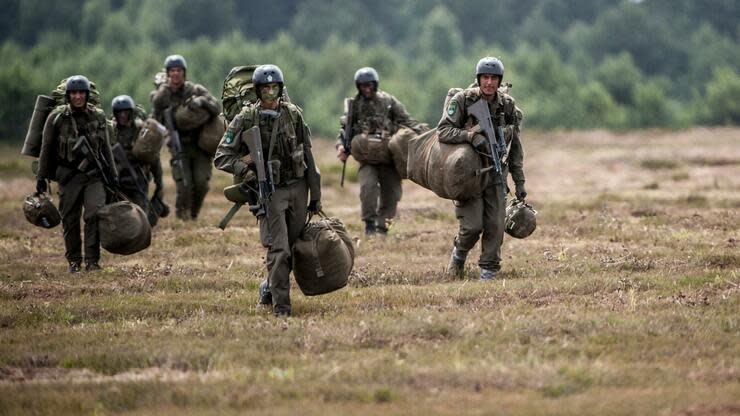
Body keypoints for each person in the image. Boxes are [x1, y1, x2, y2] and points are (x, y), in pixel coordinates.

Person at [214, 64, 321, 317]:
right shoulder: (245, 118)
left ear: (281, 89)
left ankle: (269, 286)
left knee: (293, 248)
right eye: (265, 89)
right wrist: (246, 167)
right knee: (279, 249)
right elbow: (221, 156)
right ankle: (282, 308)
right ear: (258, 91)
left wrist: (315, 195)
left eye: (275, 88)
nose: (271, 94)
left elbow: (308, 155)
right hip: (271, 193)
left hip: (297, 187)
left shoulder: (293, 114)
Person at [437, 57, 527, 280]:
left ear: (499, 81)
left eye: (494, 78)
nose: (489, 82)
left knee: (496, 225)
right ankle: (459, 255)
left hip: (496, 173)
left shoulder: (507, 106)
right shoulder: (463, 101)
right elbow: (443, 131)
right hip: (468, 173)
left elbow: (515, 146)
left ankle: (488, 272)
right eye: (485, 78)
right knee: (472, 227)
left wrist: (520, 182)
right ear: (478, 79)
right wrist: (470, 136)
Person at [36, 75, 118, 272]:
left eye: (82, 92)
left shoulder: (97, 116)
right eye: (74, 93)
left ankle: (92, 262)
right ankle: (73, 262)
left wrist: (113, 175)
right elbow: (46, 149)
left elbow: (106, 148)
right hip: (68, 176)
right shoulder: (56, 118)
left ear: (87, 95)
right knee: (70, 220)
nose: (78, 96)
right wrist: (40, 176)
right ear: (68, 95)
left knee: (94, 215)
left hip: (93, 176)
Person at [335, 67, 427, 236]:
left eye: (369, 85)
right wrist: (341, 147)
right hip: (367, 159)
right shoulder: (354, 106)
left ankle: (383, 227)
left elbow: (406, 120)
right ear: (358, 86)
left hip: (388, 157)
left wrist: (424, 134)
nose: (366, 89)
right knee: (367, 189)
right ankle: (369, 225)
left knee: (392, 193)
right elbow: (344, 131)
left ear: (375, 84)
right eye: (362, 86)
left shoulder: (388, 101)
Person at [151, 54, 219, 220]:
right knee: (185, 185)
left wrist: (202, 102)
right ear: (168, 73)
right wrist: (164, 88)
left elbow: (216, 106)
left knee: (201, 183)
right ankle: (183, 217)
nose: (175, 74)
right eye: (172, 71)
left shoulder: (194, 89)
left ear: (184, 72)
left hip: (200, 145)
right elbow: (155, 111)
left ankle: (193, 215)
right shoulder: (162, 95)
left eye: (179, 70)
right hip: (178, 145)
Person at [109, 95, 165, 224]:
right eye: (119, 112)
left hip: (138, 178)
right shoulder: (110, 131)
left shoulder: (140, 130)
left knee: (141, 218)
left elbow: (154, 159)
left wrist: (159, 182)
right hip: (117, 178)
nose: (123, 115)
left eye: (126, 112)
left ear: (131, 112)